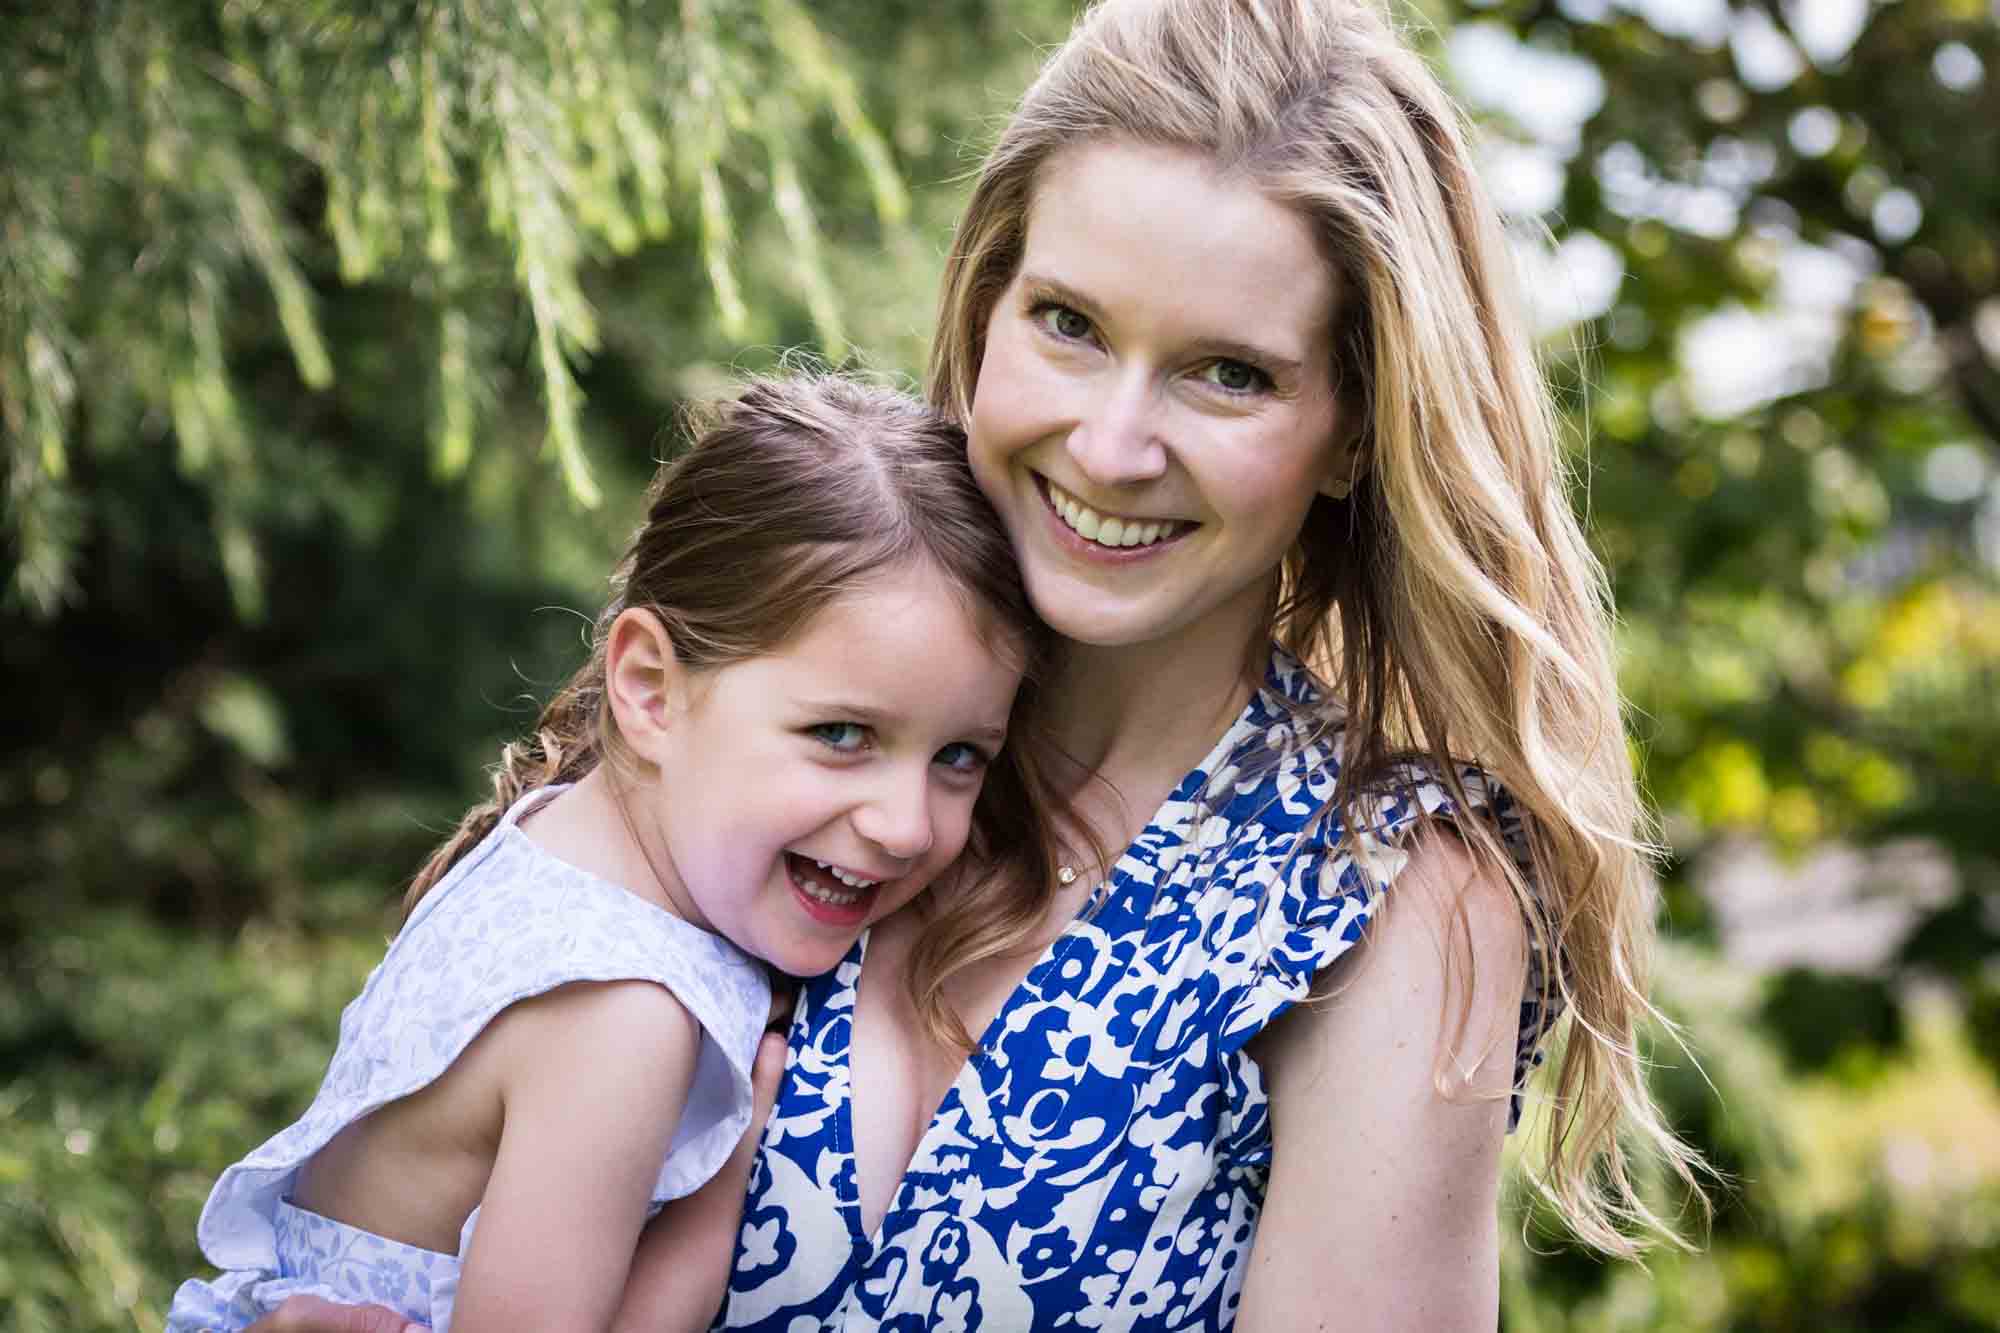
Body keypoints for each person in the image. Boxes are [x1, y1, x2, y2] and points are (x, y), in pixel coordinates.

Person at [252, 1, 1706, 1329]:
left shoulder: (1388, 890)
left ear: (1354, 430)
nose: (1114, 446)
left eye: (1229, 373)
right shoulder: (790, 677)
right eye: (1069, 325)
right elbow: (389, 1203)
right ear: (987, 305)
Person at [169, 374, 1057, 1333]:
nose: (907, 825)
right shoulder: (623, 1016)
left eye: (960, 755)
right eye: (842, 733)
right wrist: (733, 1188)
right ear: (649, 689)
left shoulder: (556, 839)